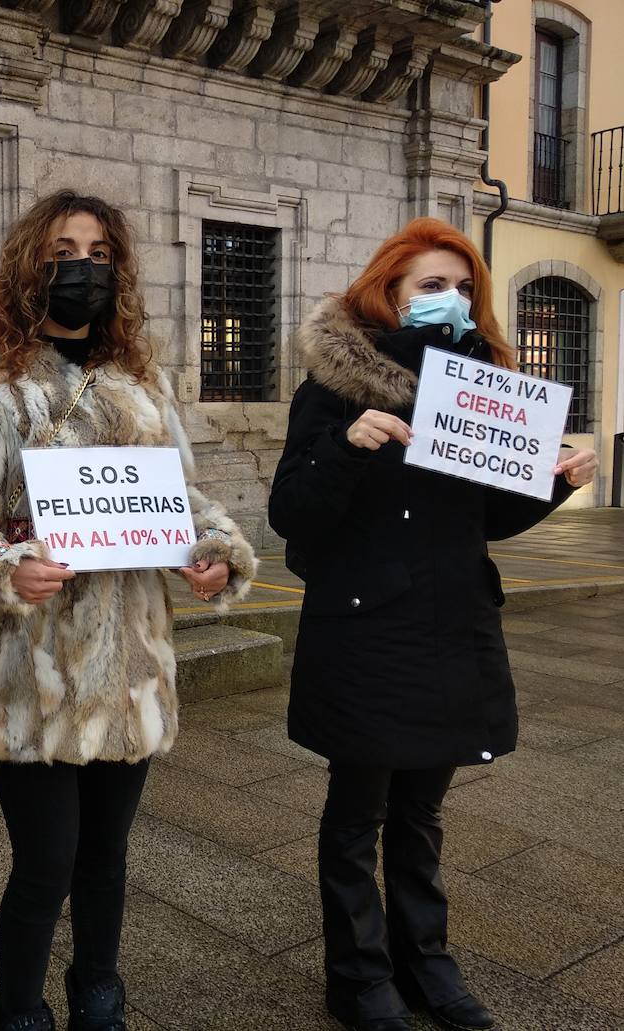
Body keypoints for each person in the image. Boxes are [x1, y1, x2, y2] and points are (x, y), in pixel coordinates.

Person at [0, 191, 257, 1031]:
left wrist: (214, 550)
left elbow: (178, 496)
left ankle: (98, 993)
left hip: (130, 663)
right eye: (64, 249)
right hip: (28, 666)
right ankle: (18, 1010)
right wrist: (3, 564)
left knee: (106, 856)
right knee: (46, 861)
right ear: (30, 265)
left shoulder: (143, 385)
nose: (84, 266)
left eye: (101, 253)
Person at [268, 217, 598, 1031]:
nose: (450, 301)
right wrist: (348, 444)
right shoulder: (334, 386)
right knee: (357, 815)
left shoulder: (485, 387)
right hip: (365, 628)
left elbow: (486, 519)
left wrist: (553, 481)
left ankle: (427, 961)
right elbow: (290, 513)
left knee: (423, 813)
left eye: (463, 288)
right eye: (431, 285)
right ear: (390, 291)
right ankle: (359, 975)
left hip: (452, 625)